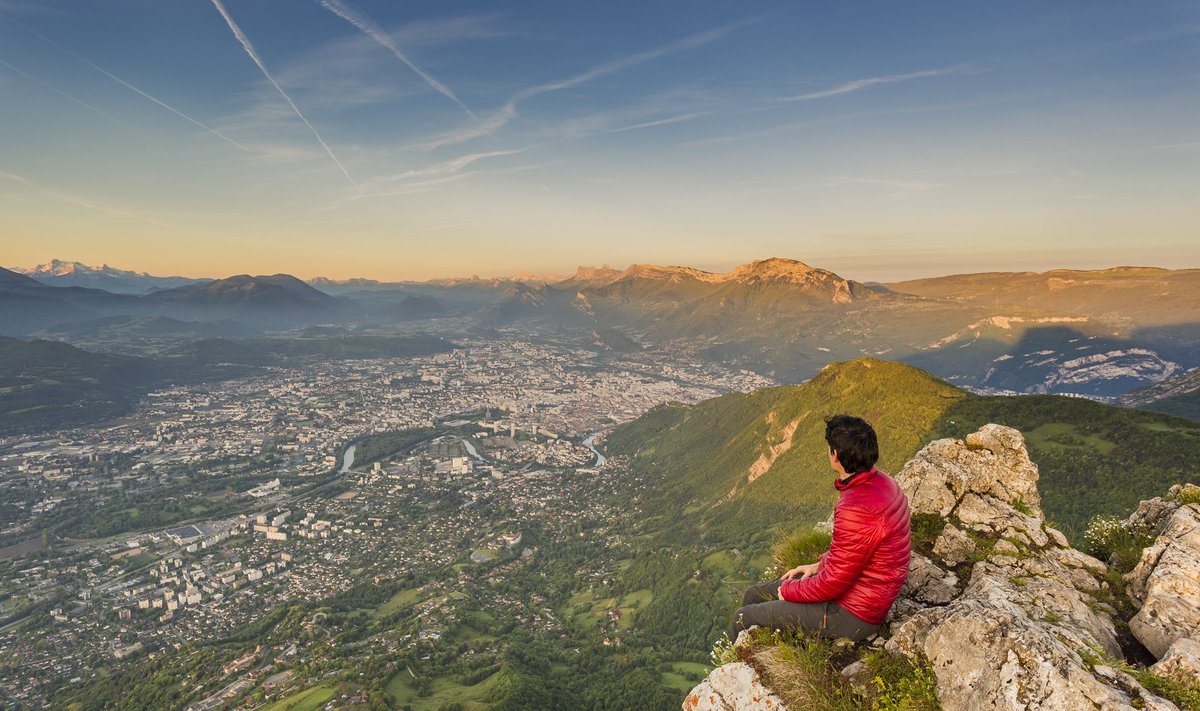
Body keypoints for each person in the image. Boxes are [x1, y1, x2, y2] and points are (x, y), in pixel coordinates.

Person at [729, 415, 911, 643]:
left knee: (742, 617)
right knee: (753, 594)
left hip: (852, 613)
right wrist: (819, 564)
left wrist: (786, 592)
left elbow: (832, 585)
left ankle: (744, 661)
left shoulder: (856, 507)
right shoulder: (883, 482)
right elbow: (856, 551)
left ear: (835, 456)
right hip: (864, 596)